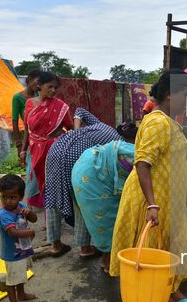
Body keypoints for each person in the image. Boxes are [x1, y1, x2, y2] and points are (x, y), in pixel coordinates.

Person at [110, 69, 187, 302]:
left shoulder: (167, 122)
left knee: (166, 245)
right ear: (171, 96)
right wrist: (152, 204)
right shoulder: (159, 123)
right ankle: (170, 294)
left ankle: (163, 288)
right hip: (152, 200)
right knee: (157, 247)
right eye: (186, 94)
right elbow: (142, 163)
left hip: (166, 199)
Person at [45, 108, 122, 259]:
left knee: (52, 195)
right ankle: (85, 248)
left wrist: (75, 132)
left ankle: (55, 245)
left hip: (56, 149)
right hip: (76, 154)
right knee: (81, 200)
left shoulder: (101, 125)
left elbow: (79, 111)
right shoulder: (120, 143)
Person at [19, 71, 73, 257]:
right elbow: (26, 128)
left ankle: (55, 238)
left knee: (52, 190)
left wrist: (61, 138)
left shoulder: (60, 106)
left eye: (56, 87)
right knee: (35, 188)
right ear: (39, 86)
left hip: (54, 150)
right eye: (49, 86)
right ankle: (38, 231)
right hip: (35, 152)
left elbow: (71, 127)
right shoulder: (29, 104)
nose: (53, 90)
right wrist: (23, 149)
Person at [72, 122, 138, 272]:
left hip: (83, 166)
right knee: (108, 221)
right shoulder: (137, 154)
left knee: (95, 218)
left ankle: (97, 253)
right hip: (91, 177)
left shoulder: (129, 148)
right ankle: (108, 262)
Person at [0, 174, 38, 302]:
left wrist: (30, 212)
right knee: (12, 279)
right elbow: (12, 232)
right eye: (4, 197)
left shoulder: (21, 207)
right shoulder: (4, 214)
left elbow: (34, 218)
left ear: (20, 197)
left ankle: (21, 294)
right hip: (12, 254)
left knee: (21, 274)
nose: (7, 201)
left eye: (12, 197)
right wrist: (29, 233)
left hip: (23, 249)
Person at [12, 69, 42, 207]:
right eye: (37, 82)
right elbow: (15, 122)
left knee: (42, 168)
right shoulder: (18, 98)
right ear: (29, 80)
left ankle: (41, 201)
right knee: (31, 168)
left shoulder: (40, 96)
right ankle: (31, 201)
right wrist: (19, 145)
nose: (39, 85)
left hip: (42, 136)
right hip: (28, 136)